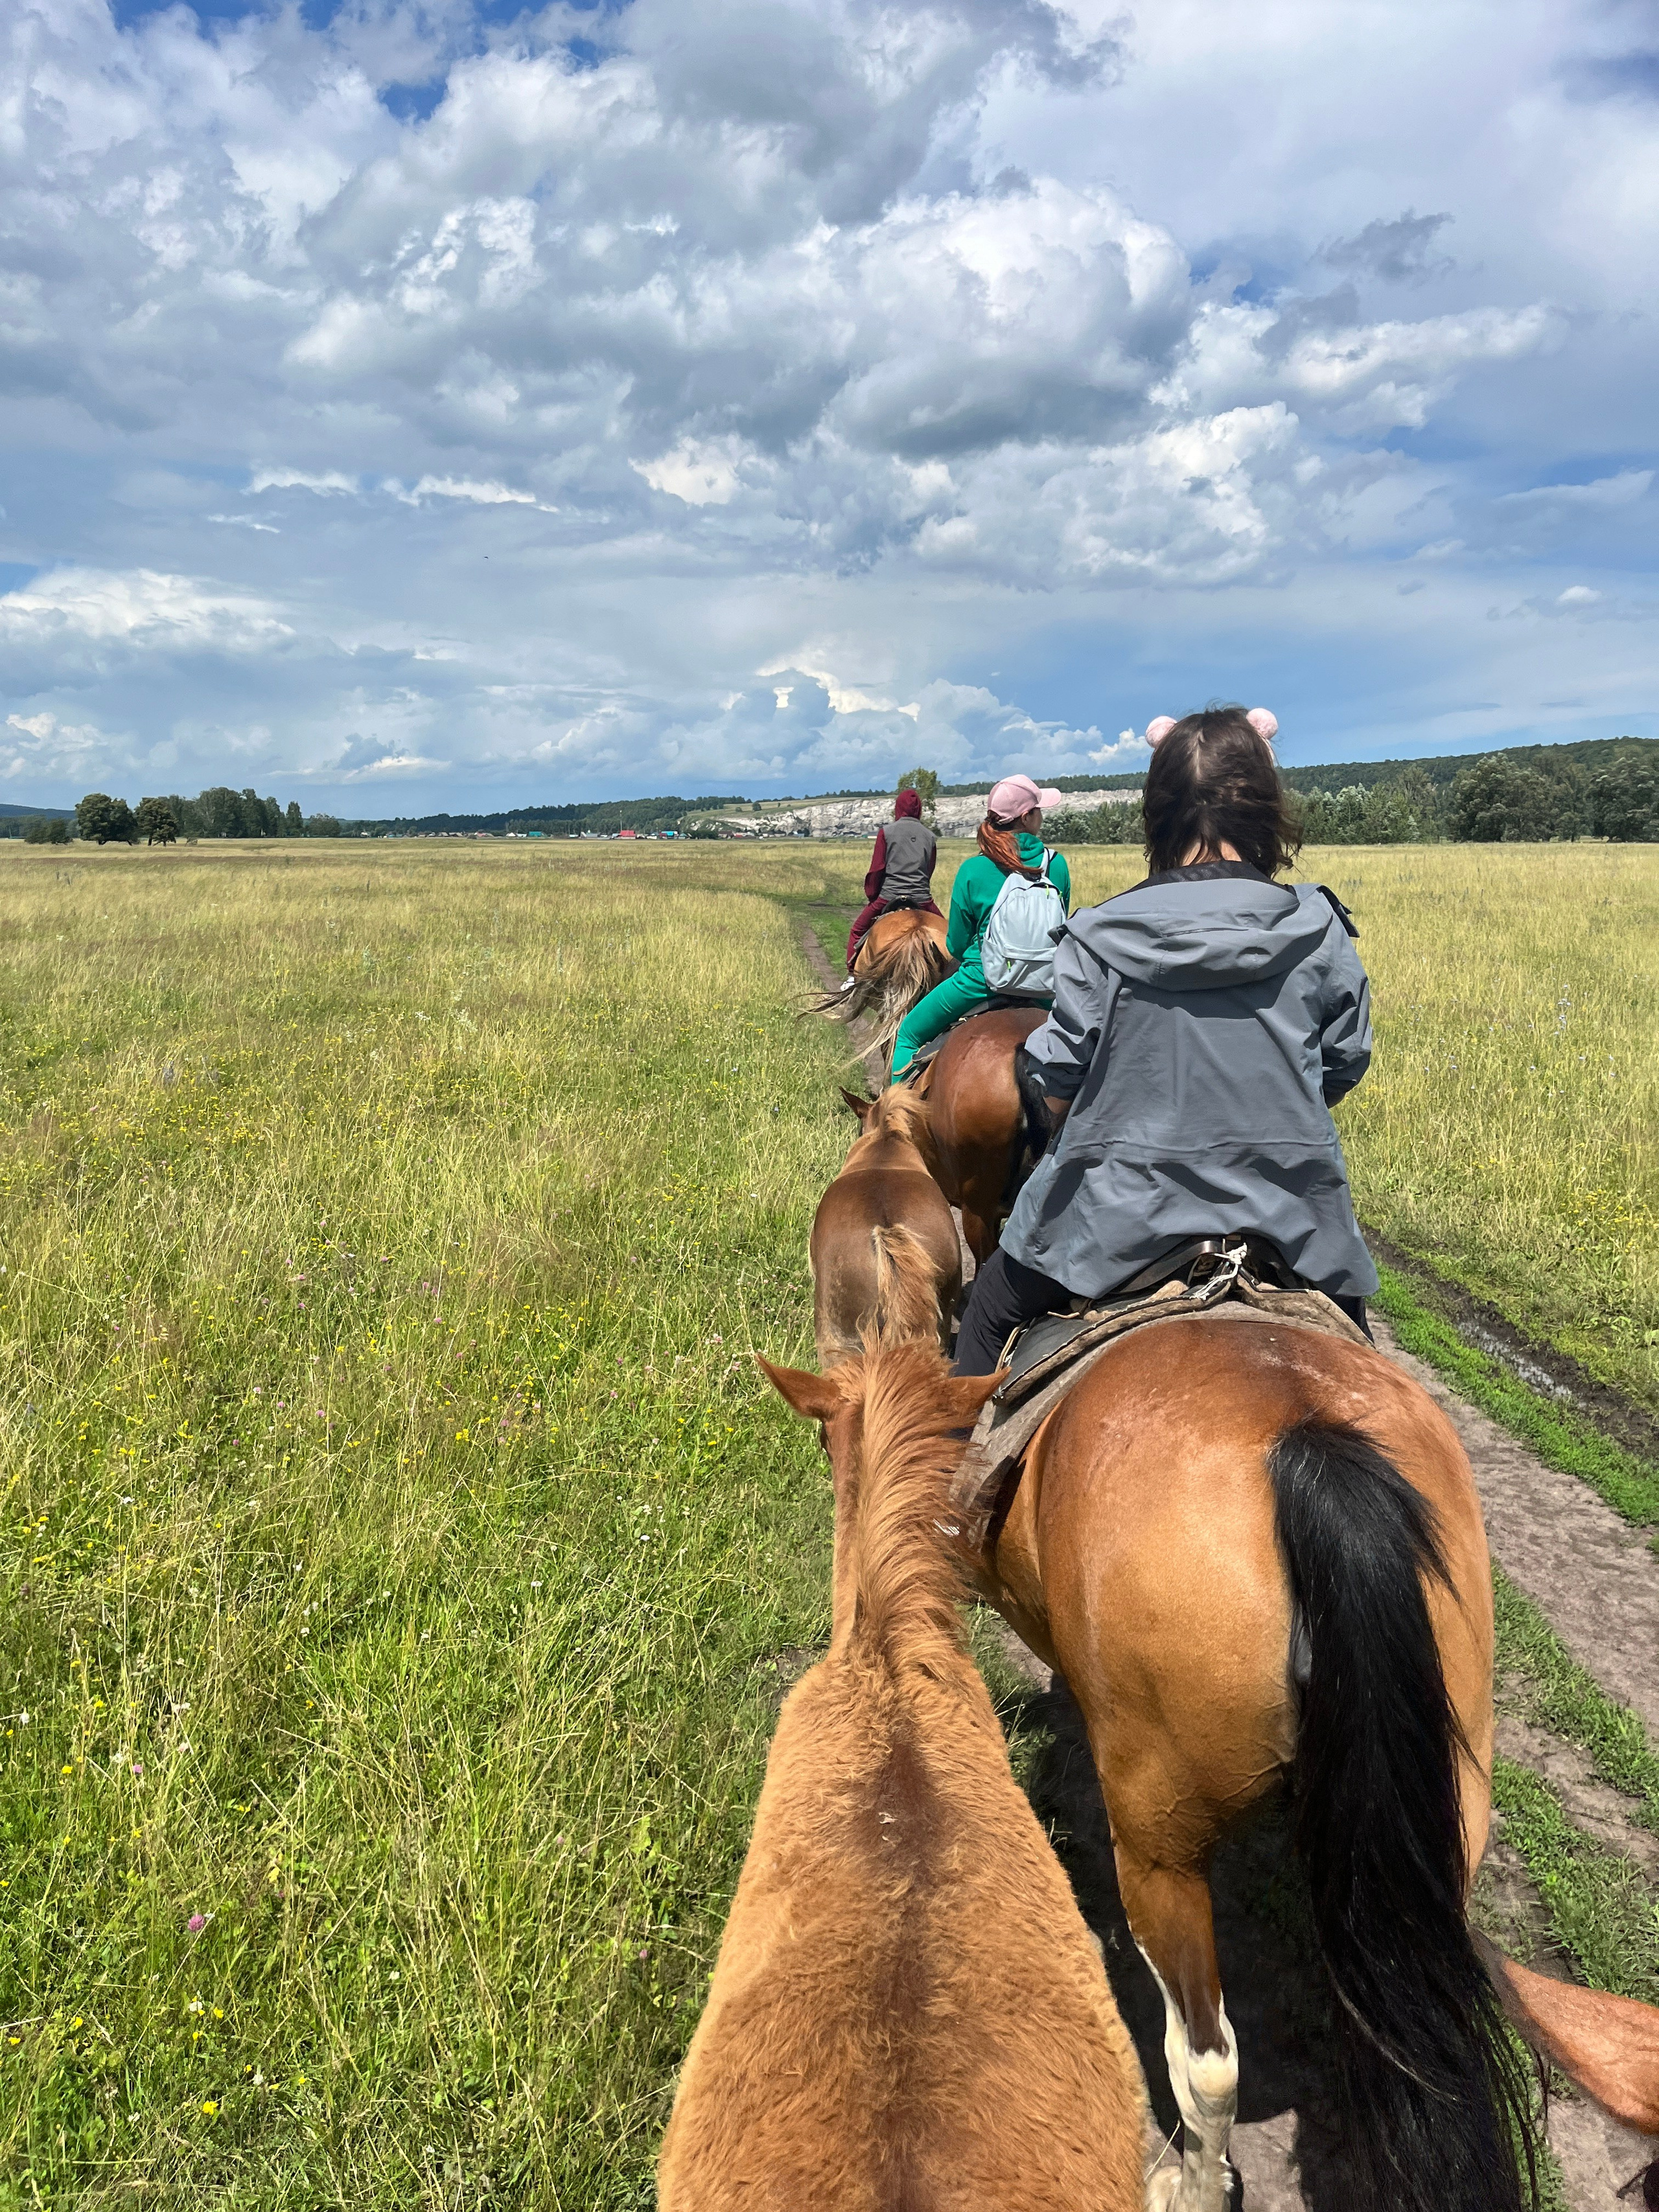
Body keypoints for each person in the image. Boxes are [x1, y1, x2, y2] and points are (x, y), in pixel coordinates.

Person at [952, 706, 1376, 1375]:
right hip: (1295, 1222)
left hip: (1110, 1222)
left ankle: (954, 1477)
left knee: (985, 1315)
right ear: (1264, 807)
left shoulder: (1097, 935)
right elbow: (1343, 1062)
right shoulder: (1319, 928)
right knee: (1370, 1380)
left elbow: (1056, 1075)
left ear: (1159, 809)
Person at [888, 774, 1071, 1080]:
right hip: (1044, 987)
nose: (1041, 816)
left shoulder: (973, 869)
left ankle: (898, 1122)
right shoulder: (1056, 866)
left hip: (980, 980)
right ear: (1026, 818)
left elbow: (957, 945)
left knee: (907, 1036)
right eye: (1038, 810)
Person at [844, 787, 942, 977]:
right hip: (922, 899)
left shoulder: (886, 832)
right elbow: (929, 870)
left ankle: (851, 976)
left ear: (899, 808)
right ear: (919, 809)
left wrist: (874, 896)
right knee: (949, 936)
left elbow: (877, 869)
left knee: (857, 931)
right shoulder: (930, 837)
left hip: (889, 896)